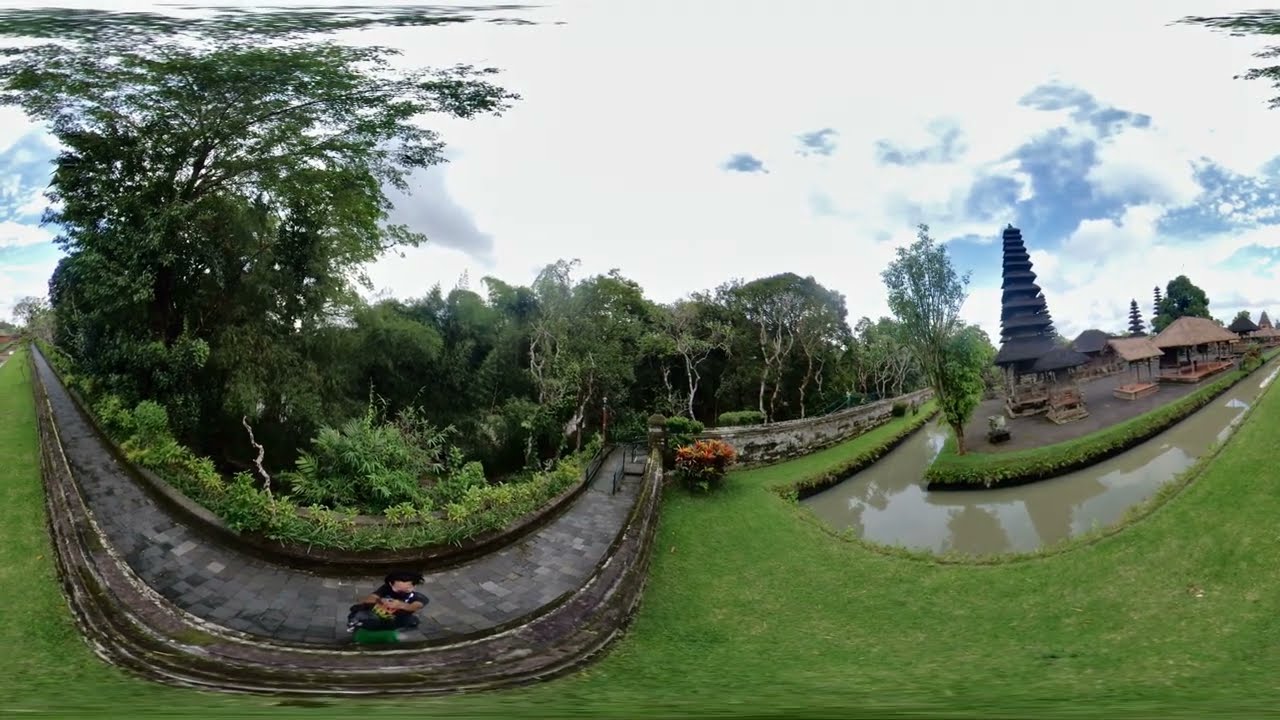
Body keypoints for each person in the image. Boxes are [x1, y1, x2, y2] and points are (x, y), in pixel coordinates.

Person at [346, 571, 428, 633]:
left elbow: (415, 606)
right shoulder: (386, 589)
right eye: (398, 589)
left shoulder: (418, 597)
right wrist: (380, 601)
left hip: (394, 620)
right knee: (358, 610)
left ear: (414, 586)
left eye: (406, 589)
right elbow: (369, 598)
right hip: (377, 614)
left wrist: (400, 605)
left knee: (412, 621)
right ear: (391, 584)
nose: (401, 592)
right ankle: (356, 625)